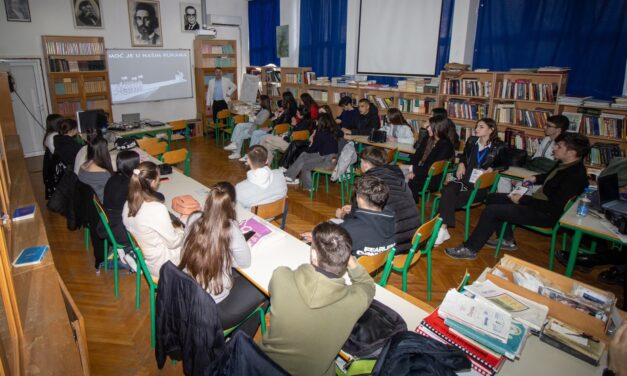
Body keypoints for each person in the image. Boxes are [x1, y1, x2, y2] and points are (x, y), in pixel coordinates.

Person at [445, 132, 590, 260]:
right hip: (539, 203)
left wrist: (522, 199)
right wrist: (536, 178)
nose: (554, 148)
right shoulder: (565, 164)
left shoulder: (575, 176)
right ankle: (506, 239)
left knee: (493, 211)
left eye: (559, 146)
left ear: (571, 152)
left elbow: (554, 206)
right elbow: (550, 177)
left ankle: (470, 248)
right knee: (492, 198)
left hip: (546, 213)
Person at [260, 222, 375, 375]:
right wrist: (348, 259)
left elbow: (287, 272)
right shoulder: (354, 302)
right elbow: (367, 285)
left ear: (314, 255)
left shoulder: (280, 277)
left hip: (263, 365)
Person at [181, 182, 267, 336]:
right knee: (264, 290)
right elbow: (245, 262)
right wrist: (228, 257)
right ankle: (237, 340)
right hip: (213, 310)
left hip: (187, 295)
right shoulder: (230, 228)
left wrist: (224, 257)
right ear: (232, 205)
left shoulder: (193, 217)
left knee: (240, 277)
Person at [434, 118, 509, 246]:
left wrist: (493, 168)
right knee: (447, 190)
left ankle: (442, 227)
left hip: (480, 188)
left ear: (491, 130)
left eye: (481, 127)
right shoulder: (472, 141)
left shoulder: (500, 146)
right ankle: (443, 229)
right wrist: (462, 163)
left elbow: (505, 164)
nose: (476, 129)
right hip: (465, 180)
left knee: (447, 199)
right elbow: (464, 155)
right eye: (476, 126)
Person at [337, 146, 421, 253]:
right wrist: (354, 207)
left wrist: (342, 215)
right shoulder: (397, 175)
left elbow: (354, 220)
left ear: (365, 164)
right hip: (413, 239)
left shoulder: (366, 184)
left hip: (392, 245)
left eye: (361, 162)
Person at [302, 175, 395, 257]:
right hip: (371, 264)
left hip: (350, 270)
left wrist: (317, 239)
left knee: (306, 242)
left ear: (360, 200)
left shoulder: (349, 229)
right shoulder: (393, 220)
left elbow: (331, 251)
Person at [123, 162, 185, 278]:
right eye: (158, 178)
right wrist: (181, 230)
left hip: (146, 256)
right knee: (196, 239)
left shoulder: (128, 203)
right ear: (152, 182)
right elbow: (173, 243)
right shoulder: (156, 209)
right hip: (162, 264)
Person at [498, 114, 570, 193]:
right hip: (535, 170)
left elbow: (553, 167)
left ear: (558, 130)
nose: (544, 127)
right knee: (504, 175)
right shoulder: (546, 139)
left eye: (548, 126)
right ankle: (504, 197)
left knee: (522, 184)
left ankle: (513, 199)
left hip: (545, 177)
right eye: (545, 124)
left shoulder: (563, 146)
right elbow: (535, 159)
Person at [103, 150, 141, 271]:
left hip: (107, 223)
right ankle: (130, 253)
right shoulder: (130, 185)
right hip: (119, 229)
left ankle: (123, 252)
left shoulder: (113, 178)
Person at [284, 113, 339, 190]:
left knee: (305, 165)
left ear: (320, 122)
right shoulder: (332, 131)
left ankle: (308, 187)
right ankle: (289, 176)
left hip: (327, 161)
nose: (315, 122)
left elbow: (313, 149)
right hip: (333, 159)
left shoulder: (320, 133)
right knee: (303, 155)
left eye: (317, 121)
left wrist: (302, 149)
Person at [407, 115, 456, 202]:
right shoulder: (428, 138)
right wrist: (411, 170)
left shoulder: (446, 145)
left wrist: (413, 170)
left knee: (399, 179)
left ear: (438, 128)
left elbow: (431, 168)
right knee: (393, 171)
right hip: (420, 172)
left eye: (430, 126)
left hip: (431, 179)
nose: (427, 128)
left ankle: (407, 203)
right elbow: (416, 156)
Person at [235, 145, 287, 210]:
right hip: (275, 212)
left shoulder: (240, 188)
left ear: (248, 161)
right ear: (267, 161)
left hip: (254, 219)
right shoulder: (280, 175)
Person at [224, 95, 272, 159]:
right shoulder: (263, 109)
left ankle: (237, 152)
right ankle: (234, 143)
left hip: (256, 127)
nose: (258, 101)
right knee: (239, 125)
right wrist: (252, 113)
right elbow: (258, 119)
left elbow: (260, 122)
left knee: (240, 134)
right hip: (253, 124)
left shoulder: (266, 112)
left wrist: (253, 115)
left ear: (263, 101)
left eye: (259, 100)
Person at [78, 136, 114, 202]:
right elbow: (111, 193)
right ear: (103, 151)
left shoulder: (82, 166)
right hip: (100, 205)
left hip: (86, 202)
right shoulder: (104, 173)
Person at [42, 114, 63, 199]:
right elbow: (61, 153)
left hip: (53, 165)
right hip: (58, 167)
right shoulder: (54, 136)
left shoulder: (50, 134)